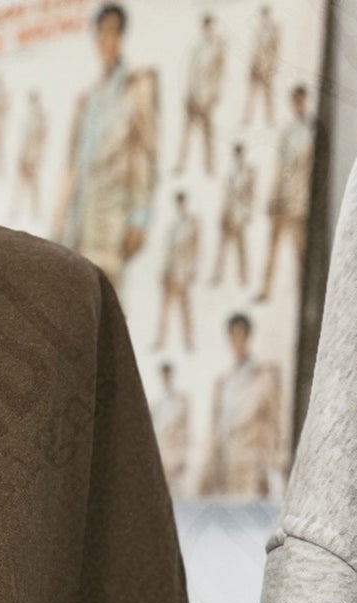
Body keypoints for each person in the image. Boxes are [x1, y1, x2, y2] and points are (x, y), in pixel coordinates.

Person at [54, 3, 159, 285]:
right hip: (79, 216)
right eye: (101, 33)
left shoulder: (136, 89)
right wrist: (59, 220)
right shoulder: (88, 99)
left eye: (112, 32)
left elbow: (144, 154)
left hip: (112, 215)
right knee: (75, 297)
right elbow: (74, 163)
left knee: (106, 295)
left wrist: (139, 218)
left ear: (122, 36)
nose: (105, 40)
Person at [197, 310, 284, 498]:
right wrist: (207, 465)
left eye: (240, 335)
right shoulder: (223, 381)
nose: (236, 341)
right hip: (226, 465)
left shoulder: (263, 376)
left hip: (251, 465)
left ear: (248, 336)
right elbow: (215, 426)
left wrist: (274, 462)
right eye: (232, 335)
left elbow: (274, 421)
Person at [254, 81, 313, 301]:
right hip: (282, 197)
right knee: (273, 246)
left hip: (299, 200)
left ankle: (305, 295)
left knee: (300, 251)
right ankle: (265, 289)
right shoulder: (288, 131)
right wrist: (273, 195)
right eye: (295, 101)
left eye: (300, 100)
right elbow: (279, 167)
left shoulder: (311, 131)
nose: (297, 104)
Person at [174, 12, 226, 176]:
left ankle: (209, 166)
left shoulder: (218, 48)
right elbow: (190, 71)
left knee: (207, 134)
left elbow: (220, 74)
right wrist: (188, 93)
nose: (207, 29)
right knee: (186, 133)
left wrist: (213, 95)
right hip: (193, 96)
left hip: (207, 97)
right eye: (205, 26)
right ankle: (181, 164)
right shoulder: (197, 47)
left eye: (210, 26)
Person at [154, 190, 202, 350]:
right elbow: (168, 250)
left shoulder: (192, 223)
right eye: (178, 203)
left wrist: (192, 270)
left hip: (182, 271)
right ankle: (160, 340)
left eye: (182, 202)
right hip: (170, 269)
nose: (180, 205)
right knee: (164, 307)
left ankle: (188, 341)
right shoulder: (173, 224)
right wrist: (164, 269)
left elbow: (195, 249)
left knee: (184, 308)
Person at [210, 139, 256, 287]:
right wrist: (223, 212)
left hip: (240, 214)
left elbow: (250, 195)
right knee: (223, 246)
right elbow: (227, 195)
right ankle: (218, 275)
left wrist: (247, 213)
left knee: (240, 247)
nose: (238, 156)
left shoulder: (249, 172)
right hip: (229, 212)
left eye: (239, 153)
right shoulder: (231, 172)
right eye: (236, 154)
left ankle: (244, 276)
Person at [152, 362, 193, 496]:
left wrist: (183, 454)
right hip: (161, 452)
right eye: (164, 376)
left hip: (176, 454)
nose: (166, 379)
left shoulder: (182, 400)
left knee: (177, 493)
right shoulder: (157, 403)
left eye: (168, 376)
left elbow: (186, 429)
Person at [243, 3, 281, 124]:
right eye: (263, 14)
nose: (264, 16)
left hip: (267, 68)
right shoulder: (258, 30)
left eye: (266, 14)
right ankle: (247, 118)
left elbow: (275, 50)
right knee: (252, 94)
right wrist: (253, 66)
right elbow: (254, 50)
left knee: (268, 95)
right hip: (256, 66)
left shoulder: (274, 29)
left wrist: (270, 66)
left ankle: (270, 118)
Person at [13, 88, 47, 219]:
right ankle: (20, 210)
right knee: (23, 182)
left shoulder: (39, 116)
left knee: (32, 183)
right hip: (27, 151)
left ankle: (34, 211)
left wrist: (35, 154)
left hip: (32, 153)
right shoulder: (29, 115)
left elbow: (40, 136)